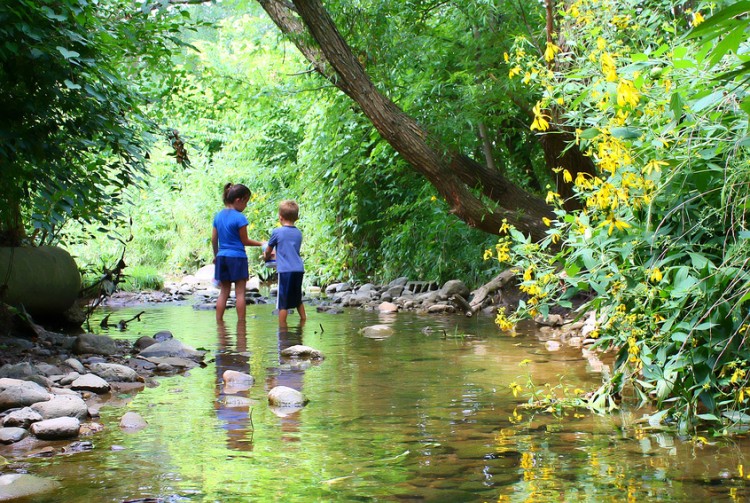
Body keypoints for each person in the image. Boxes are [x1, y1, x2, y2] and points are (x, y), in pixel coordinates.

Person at [212, 183, 264, 322]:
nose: (246, 206)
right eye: (246, 202)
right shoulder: (240, 218)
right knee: (240, 293)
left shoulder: (218, 216)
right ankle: (241, 324)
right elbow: (245, 240)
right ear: (238, 200)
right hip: (237, 258)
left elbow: (214, 239)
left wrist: (216, 255)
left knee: (224, 292)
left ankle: (219, 323)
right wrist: (261, 243)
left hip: (222, 257)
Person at [263, 200, 306, 327]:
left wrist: (266, 256)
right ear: (296, 218)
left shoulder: (277, 232)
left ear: (280, 217)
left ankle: (282, 329)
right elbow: (290, 250)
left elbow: (268, 250)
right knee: (297, 298)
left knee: (282, 303)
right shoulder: (298, 233)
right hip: (298, 269)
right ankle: (303, 321)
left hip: (285, 270)